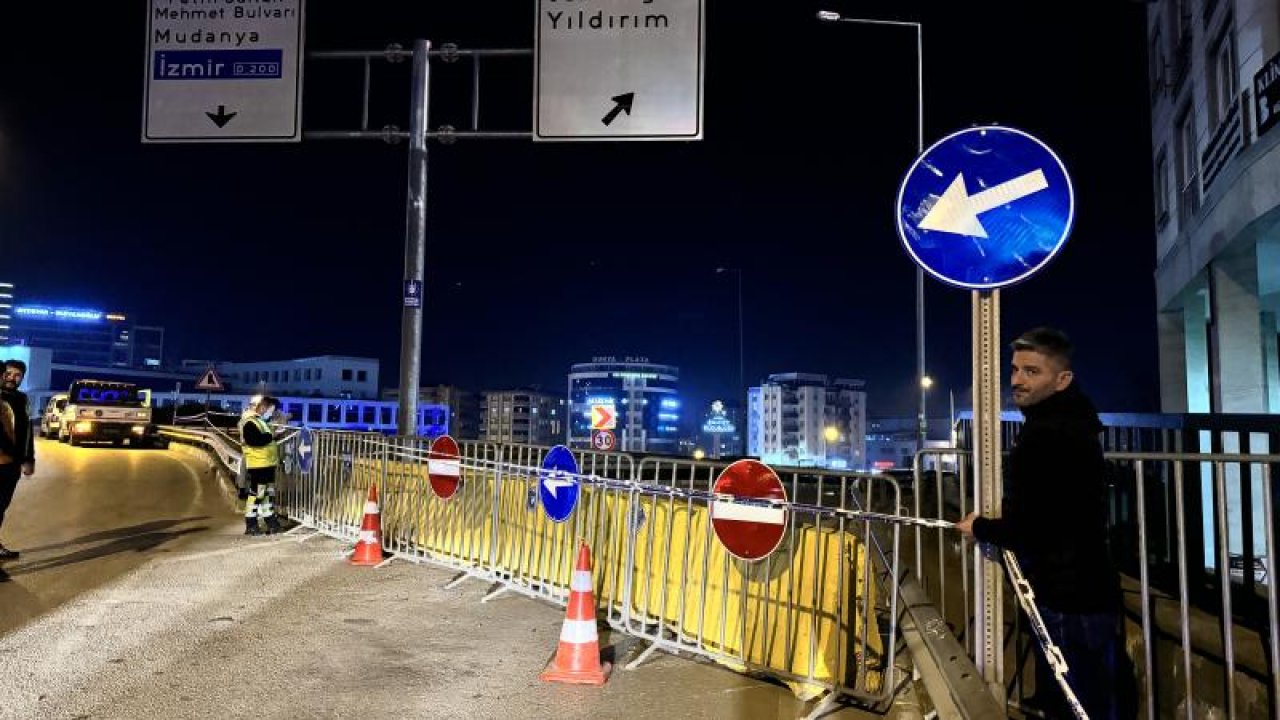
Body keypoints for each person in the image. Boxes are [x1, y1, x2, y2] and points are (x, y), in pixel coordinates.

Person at [954, 328, 1128, 720]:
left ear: (1062, 379)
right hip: (1089, 587)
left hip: (1066, 593)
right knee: (1096, 694)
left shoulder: (1047, 437)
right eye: (1015, 370)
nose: (1017, 380)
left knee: (1077, 702)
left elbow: (1037, 527)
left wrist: (980, 527)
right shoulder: (1074, 426)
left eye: (1031, 371)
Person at [0, 359, 36, 560]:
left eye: (17, 375)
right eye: (8, 373)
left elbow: (28, 431)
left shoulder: (22, 399)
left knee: (2, 505)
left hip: (12, 463)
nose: (12, 378)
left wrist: (28, 458)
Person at [238, 395, 283, 536]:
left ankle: (270, 520)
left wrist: (273, 436)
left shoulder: (260, 421)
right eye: (268, 408)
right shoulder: (249, 422)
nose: (269, 411)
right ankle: (251, 523)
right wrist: (272, 437)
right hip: (258, 464)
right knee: (257, 493)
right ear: (260, 407)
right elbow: (254, 440)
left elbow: (264, 439)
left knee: (266, 493)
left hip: (266, 463)